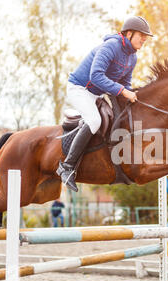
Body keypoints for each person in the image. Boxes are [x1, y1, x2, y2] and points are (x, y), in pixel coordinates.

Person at [57, 16, 154, 192]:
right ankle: (67, 166)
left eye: (146, 36)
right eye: (142, 35)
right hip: (79, 89)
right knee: (94, 121)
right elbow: (96, 76)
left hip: (97, 93)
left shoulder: (133, 58)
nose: (144, 39)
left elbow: (125, 84)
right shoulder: (111, 46)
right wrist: (123, 91)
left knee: (123, 115)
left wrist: (133, 96)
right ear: (129, 33)